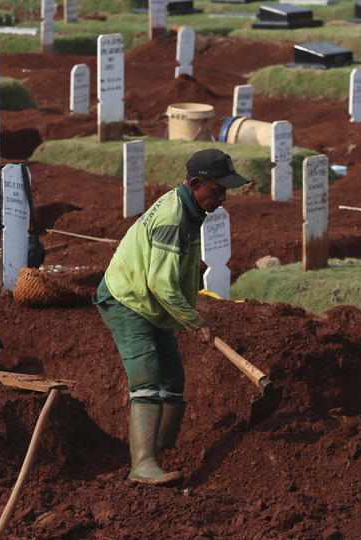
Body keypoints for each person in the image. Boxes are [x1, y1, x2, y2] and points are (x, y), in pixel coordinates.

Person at [93, 148, 249, 486]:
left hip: (151, 302)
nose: (223, 198)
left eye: (226, 191)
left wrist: (188, 316)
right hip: (127, 298)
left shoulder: (191, 209)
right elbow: (161, 284)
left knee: (173, 380)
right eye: (217, 190)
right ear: (195, 183)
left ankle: (156, 451)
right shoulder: (173, 219)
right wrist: (196, 322)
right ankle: (142, 465)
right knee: (147, 376)